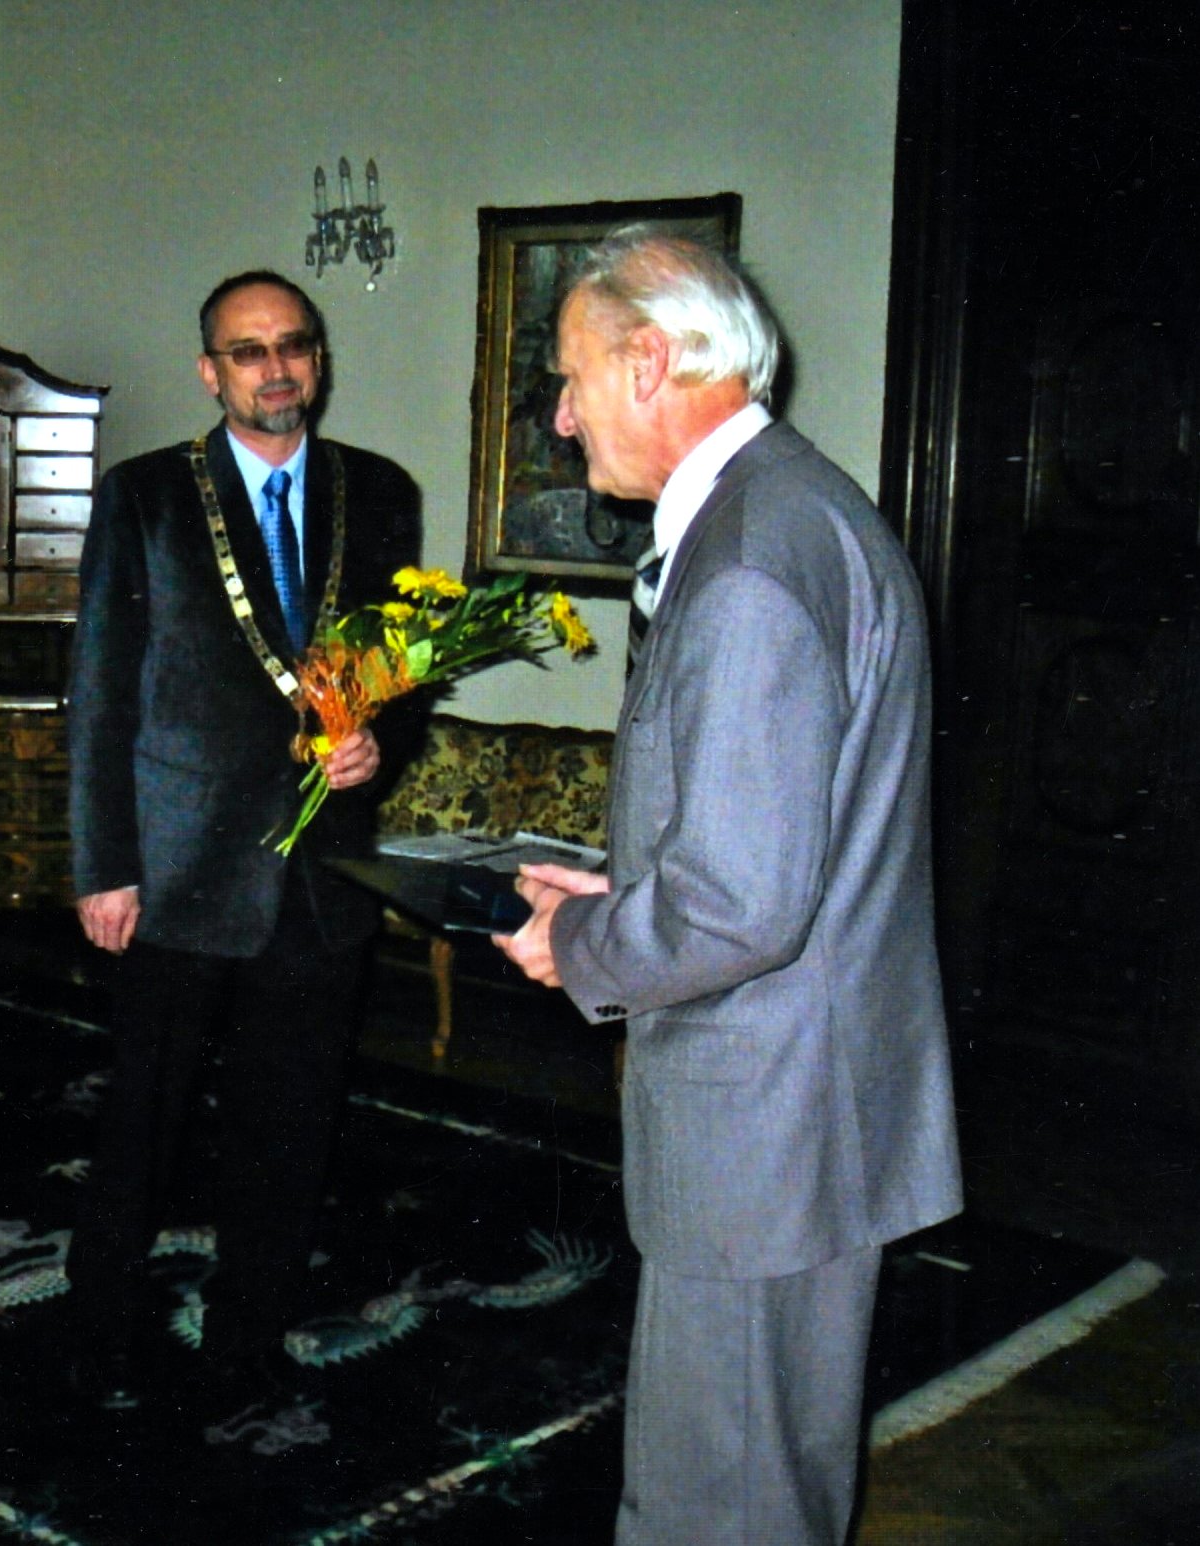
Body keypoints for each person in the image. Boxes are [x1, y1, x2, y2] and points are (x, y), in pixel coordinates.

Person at [494, 229, 962, 1543]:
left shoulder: (752, 557)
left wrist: (582, 943)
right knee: (757, 1482)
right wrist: (613, 886)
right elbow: (781, 832)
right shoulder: (793, 510)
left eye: (574, 374)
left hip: (765, 1130)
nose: (562, 413)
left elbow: (743, 905)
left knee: (722, 1501)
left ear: (651, 361)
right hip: (805, 1106)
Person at [67, 269, 421, 1416]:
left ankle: (247, 1341)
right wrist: (105, 864)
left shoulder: (381, 493)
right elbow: (102, 692)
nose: (277, 368)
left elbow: (394, 669)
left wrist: (379, 740)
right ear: (209, 371)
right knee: (145, 1119)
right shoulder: (147, 496)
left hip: (321, 873)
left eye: (295, 345)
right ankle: (98, 1333)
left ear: (319, 359)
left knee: (290, 1125)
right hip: (178, 869)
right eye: (249, 350)